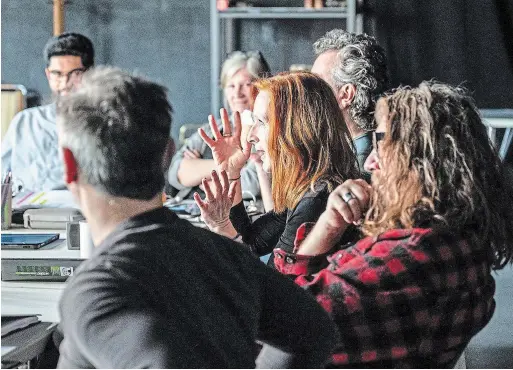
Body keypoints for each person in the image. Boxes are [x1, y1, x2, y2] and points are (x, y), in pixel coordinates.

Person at [55, 66, 338, 368]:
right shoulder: (228, 256)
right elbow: (313, 332)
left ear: (69, 165)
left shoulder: (98, 292)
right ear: (168, 154)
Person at [273, 81, 513, 367]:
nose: (371, 161)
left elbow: (278, 323)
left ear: (422, 157)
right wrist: (329, 226)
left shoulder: (412, 257)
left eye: (382, 141)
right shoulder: (461, 245)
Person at [194, 72, 361, 268]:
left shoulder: (317, 199)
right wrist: (232, 172)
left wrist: (221, 226)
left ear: (298, 128)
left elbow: (270, 288)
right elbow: (252, 241)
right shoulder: (308, 185)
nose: (251, 136)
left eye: (262, 122)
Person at [168, 50, 271, 201]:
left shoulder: (267, 131)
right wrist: (228, 167)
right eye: (231, 86)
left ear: (262, 87)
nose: (237, 93)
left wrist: (198, 169)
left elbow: (251, 184)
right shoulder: (213, 128)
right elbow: (175, 172)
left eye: (246, 85)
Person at [1, 32, 94, 192]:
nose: (65, 83)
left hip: (81, 214)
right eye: (57, 74)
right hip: (26, 213)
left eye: (75, 74)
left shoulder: (105, 123)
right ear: (48, 75)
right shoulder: (25, 122)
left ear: (90, 73)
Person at [311, 29, 389, 179]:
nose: (308, 93)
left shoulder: (357, 171)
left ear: (346, 95)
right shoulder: (345, 153)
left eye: (317, 84)